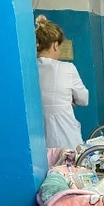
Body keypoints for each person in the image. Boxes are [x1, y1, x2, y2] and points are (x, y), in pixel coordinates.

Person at [35, 14, 89, 149]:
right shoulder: (67, 68)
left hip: (37, 141)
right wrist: (70, 99)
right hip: (65, 138)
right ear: (54, 45)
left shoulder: (29, 70)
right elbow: (84, 100)